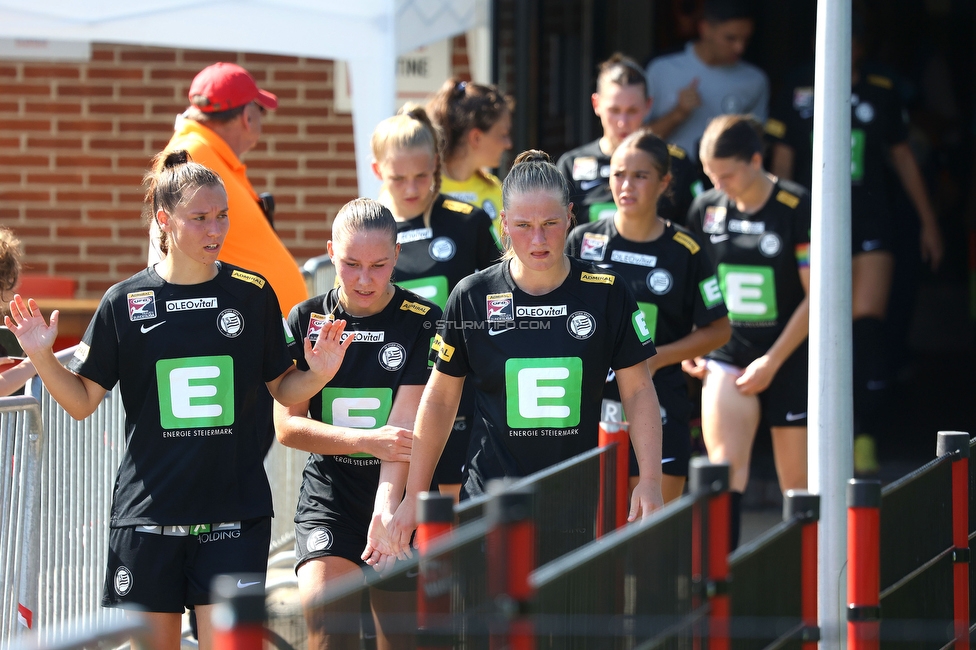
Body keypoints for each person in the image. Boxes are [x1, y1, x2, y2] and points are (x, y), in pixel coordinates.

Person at [5, 150, 352, 650]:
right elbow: (82, 403)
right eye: (201, 218)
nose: (216, 229)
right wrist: (41, 356)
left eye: (222, 215)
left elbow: (284, 387)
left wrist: (318, 374)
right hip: (147, 519)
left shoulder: (251, 295)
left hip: (234, 517)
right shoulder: (124, 302)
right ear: (164, 220)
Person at [382, 150, 666, 555]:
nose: (538, 239)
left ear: (571, 216)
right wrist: (413, 495)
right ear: (503, 225)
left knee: (562, 618)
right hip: (489, 499)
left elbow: (637, 390)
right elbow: (440, 398)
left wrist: (650, 481)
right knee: (490, 619)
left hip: (575, 502)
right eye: (523, 225)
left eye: (550, 224)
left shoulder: (606, 292)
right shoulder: (472, 295)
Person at [765, 27, 944, 473]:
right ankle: (813, 431)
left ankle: (861, 431)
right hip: (809, 228)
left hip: (869, 224)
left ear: (863, 47)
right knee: (815, 320)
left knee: (864, 328)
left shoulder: (880, 93)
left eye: (853, 39)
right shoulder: (796, 92)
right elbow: (782, 164)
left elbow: (903, 157)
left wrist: (929, 222)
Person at [273, 198, 440, 650]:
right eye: (350, 264)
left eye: (378, 265)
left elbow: (403, 432)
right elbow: (288, 427)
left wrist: (388, 513)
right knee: (330, 634)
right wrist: (365, 439)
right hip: (330, 497)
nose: (364, 279)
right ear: (330, 252)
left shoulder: (423, 321)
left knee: (402, 640)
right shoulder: (306, 318)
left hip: (399, 498)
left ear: (398, 256)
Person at [566, 129, 731, 502]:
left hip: (659, 402)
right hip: (589, 403)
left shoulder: (685, 249)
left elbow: (719, 329)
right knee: (593, 530)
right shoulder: (582, 241)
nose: (627, 185)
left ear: (664, 182)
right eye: (619, 174)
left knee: (652, 536)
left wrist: (656, 358)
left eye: (640, 176)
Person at [683, 115, 810, 549]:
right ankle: (722, 591)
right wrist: (696, 334)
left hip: (791, 356)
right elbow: (697, 281)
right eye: (709, 173)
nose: (718, 183)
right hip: (729, 353)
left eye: (727, 173)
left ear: (757, 159)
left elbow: (820, 298)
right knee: (723, 471)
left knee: (798, 484)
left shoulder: (797, 207)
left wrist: (773, 360)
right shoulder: (707, 208)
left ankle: (808, 592)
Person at [372, 105, 502, 499]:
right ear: (377, 171)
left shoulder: (468, 222)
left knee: (447, 505)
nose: (412, 189)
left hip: (455, 388)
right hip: (389, 385)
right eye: (398, 178)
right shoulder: (368, 227)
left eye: (422, 176)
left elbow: (500, 294)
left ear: (436, 166)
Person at [149, 62, 308, 314]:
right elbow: (171, 244)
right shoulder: (194, 154)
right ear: (247, 116)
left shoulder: (205, 152)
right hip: (234, 324)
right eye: (260, 110)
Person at [557, 53, 698, 225]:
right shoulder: (571, 165)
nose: (622, 122)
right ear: (596, 104)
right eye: (614, 110)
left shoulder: (675, 164)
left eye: (632, 111)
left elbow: (697, 230)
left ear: (648, 106)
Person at [644, 0, 769, 163]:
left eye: (745, 39)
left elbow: (758, 145)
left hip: (725, 182)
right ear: (705, 29)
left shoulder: (754, 80)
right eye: (730, 38)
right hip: (667, 176)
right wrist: (678, 114)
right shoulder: (661, 70)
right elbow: (636, 137)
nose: (739, 48)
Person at [427, 77, 513, 229]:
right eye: (503, 134)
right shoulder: (422, 190)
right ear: (476, 138)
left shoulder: (496, 189)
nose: (508, 144)